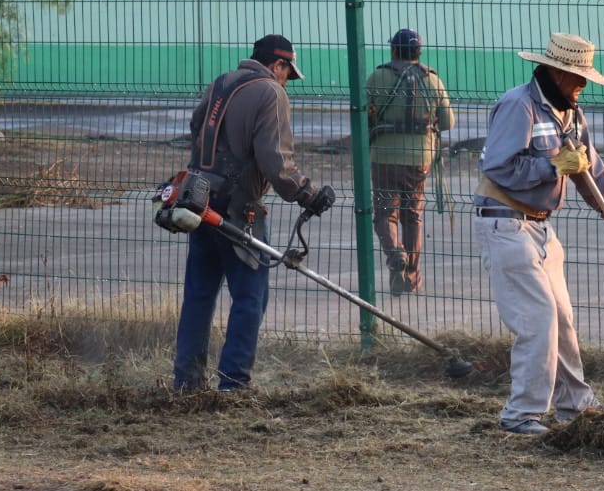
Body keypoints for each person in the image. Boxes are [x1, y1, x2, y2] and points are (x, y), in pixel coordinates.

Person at [476, 32, 604, 436]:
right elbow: (497, 167)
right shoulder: (519, 106)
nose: (582, 84)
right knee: (539, 319)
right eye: (576, 76)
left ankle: (576, 407)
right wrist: (553, 166)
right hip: (506, 223)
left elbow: (592, 173)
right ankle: (521, 415)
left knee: (563, 320)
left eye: (585, 76)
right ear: (554, 71)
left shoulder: (571, 113)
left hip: (541, 227)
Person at [173, 34, 335, 392]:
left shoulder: (221, 83)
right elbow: (276, 162)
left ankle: (186, 381)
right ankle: (233, 382)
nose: (286, 81)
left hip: (197, 201)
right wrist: (307, 194)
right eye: (287, 73)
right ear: (278, 64)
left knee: (199, 294)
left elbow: (195, 130)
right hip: (237, 209)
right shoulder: (269, 92)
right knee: (250, 297)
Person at [367, 28, 454, 295]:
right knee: (413, 215)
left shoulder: (378, 77)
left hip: (384, 157)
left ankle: (395, 254)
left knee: (385, 212)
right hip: (420, 158)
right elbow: (448, 122)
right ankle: (411, 276)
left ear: (394, 50)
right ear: (419, 52)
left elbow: (363, 115)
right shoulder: (433, 80)